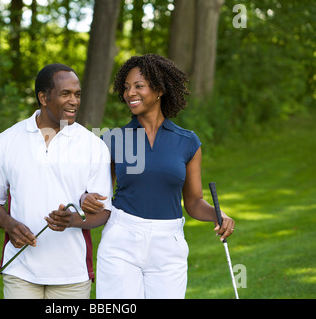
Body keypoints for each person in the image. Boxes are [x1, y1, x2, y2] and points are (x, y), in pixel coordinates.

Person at [81, 54, 235, 299]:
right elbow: (100, 199)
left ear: (160, 89)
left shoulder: (187, 142)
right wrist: (84, 200)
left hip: (168, 244)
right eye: (126, 87)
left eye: (139, 86)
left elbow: (194, 202)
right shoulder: (112, 140)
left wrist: (218, 214)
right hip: (121, 240)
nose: (130, 93)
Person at [0, 63, 112, 299]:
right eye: (65, 94)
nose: (74, 101)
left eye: (77, 94)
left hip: (72, 274)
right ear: (43, 97)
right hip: (20, 269)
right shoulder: (5, 142)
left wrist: (73, 220)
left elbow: (103, 212)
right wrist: (10, 225)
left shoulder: (94, 146)